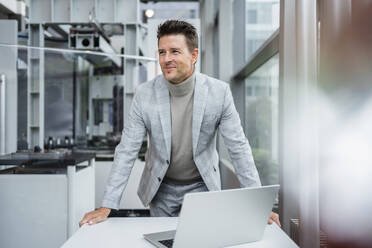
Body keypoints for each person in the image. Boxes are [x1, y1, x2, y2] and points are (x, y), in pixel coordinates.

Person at [79, 20, 280, 227]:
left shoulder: (219, 93)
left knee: (201, 240)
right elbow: (127, 149)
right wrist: (107, 204)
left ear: (194, 56)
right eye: (161, 52)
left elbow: (238, 147)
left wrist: (258, 204)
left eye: (174, 51)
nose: (166, 59)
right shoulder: (144, 94)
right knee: (164, 240)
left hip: (202, 187)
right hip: (161, 188)